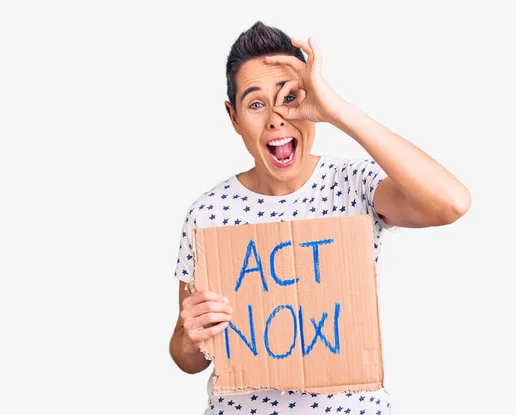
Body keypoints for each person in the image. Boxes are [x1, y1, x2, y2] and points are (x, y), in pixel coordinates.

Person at [169, 21, 471, 415]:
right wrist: (190, 338)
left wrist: (338, 110)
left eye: (290, 97)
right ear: (234, 117)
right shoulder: (209, 213)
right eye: (256, 104)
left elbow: (451, 203)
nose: (277, 118)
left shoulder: (355, 185)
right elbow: (186, 355)